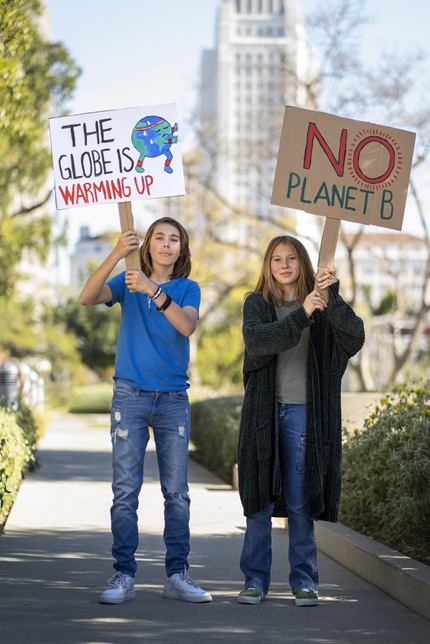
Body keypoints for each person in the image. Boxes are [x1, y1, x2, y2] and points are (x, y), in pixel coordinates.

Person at [79, 216, 212, 605]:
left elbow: (185, 326)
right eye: (159, 238)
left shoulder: (188, 288)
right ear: (148, 245)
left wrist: (153, 289)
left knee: (177, 493)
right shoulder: (128, 280)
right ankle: (123, 574)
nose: (167, 244)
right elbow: (87, 297)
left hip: (172, 400)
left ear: (181, 249)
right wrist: (119, 254)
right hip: (130, 398)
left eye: (174, 239)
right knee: (125, 491)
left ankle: (177, 575)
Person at [236, 235, 365, 607]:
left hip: (304, 413)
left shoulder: (322, 302)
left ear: (303, 263)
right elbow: (258, 342)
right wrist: (302, 314)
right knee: (258, 499)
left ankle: (305, 582)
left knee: (299, 500)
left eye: (291, 258)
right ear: (268, 265)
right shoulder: (257, 303)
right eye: (277, 259)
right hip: (262, 415)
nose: (285, 265)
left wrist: (332, 297)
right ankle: (255, 581)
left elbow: (354, 337)